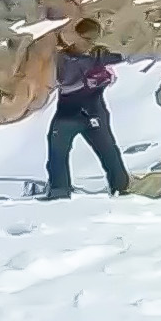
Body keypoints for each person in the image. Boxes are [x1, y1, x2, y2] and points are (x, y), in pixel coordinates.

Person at [43, 17, 131, 200]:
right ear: (77, 35)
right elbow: (66, 82)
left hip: (86, 114)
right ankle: (60, 192)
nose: (90, 42)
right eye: (87, 38)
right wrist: (94, 72)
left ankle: (121, 190)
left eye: (93, 38)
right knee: (59, 152)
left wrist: (103, 64)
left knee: (108, 151)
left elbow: (122, 58)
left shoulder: (94, 56)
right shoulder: (66, 57)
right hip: (76, 114)